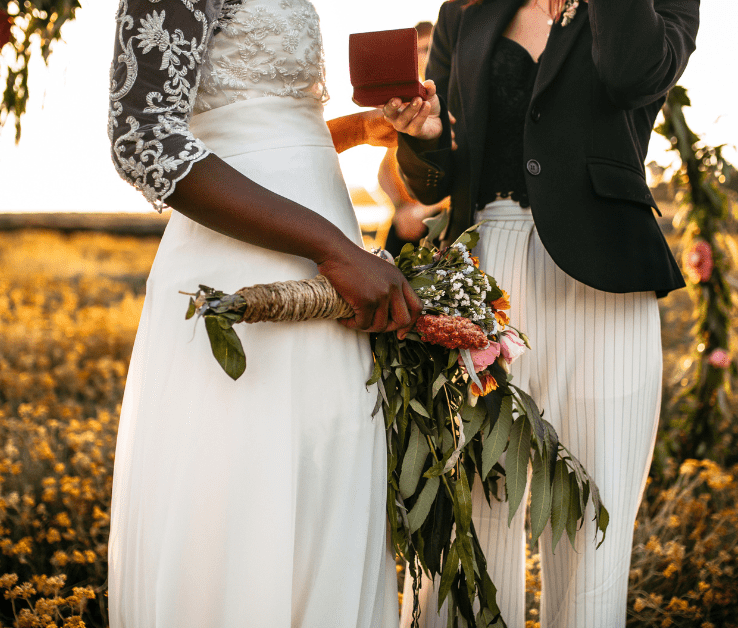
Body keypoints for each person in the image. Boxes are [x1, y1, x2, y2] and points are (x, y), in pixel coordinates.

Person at [105, 1, 419, 626]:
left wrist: (356, 132)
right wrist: (333, 249)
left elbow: (261, 125)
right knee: (243, 493)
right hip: (244, 271)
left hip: (327, 266)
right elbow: (144, 137)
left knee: (323, 477)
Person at [385, 0, 698, 625]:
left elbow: (631, 74)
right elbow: (436, 176)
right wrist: (420, 137)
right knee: (474, 507)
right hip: (484, 276)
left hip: (603, 279)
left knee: (593, 508)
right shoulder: (465, 10)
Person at [377, 21, 448, 258]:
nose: (424, 56)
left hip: (441, 222)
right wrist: (400, 208)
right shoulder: (404, 104)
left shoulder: (452, 97)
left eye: (429, 49)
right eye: (418, 50)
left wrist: (424, 210)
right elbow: (384, 171)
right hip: (404, 221)